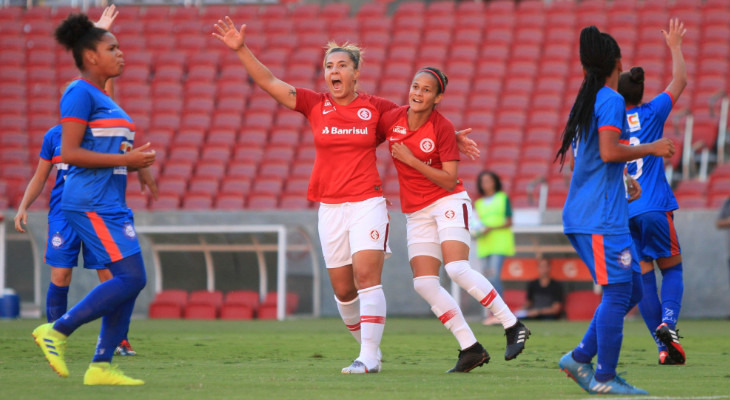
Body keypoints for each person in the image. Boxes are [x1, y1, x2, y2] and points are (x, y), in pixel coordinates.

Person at [212, 17, 478, 374]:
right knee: (343, 291)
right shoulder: (314, 105)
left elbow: (421, 117)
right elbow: (270, 82)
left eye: (341, 65)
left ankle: (367, 357)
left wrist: (450, 136)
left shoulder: (378, 109)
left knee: (367, 278)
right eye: (328, 66)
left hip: (367, 202)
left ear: (355, 73)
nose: (333, 71)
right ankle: (370, 351)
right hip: (330, 206)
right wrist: (241, 49)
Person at [16, 7, 149, 358]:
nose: (121, 53)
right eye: (112, 48)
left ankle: (105, 356)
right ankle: (57, 332)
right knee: (80, 276)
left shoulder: (104, 103)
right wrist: (24, 206)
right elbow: (58, 163)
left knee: (124, 279)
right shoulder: (75, 100)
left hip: (107, 202)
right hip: (84, 204)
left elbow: (104, 93)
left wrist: (98, 33)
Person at [378, 66, 530, 372]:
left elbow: (449, 181)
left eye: (426, 90)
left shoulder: (442, 127)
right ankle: (470, 348)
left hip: (447, 200)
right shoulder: (392, 119)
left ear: (438, 97)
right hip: (416, 211)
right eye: (415, 86)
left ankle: (512, 325)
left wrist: (411, 160)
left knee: (458, 268)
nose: (418, 93)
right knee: (423, 283)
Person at [555, 26, 675, 395]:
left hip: (601, 213)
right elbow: (607, 151)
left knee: (634, 290)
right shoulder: (609, 99)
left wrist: (622, 178)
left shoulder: (589, 98)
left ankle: (579, 357)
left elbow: (588, 160)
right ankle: (604, 376)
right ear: (617, 62)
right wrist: (651, 147)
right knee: (619, 293)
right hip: (599, 219)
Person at [618, 18, 688, 366]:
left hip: (623, 213)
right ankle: (669, 326)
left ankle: (664, 348)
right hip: (654, 206)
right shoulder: (652, 112)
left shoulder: (608, 125)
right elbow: (680, 82)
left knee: (645, 277)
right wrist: (674, 45)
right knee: (672, 269)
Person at [471, 170, 514, 324]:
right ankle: (494, 313)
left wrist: (491, 228)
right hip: (485, 245)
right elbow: (477, 224)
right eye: (483, 181)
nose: (486, 184)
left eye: (488, 180)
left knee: (494, 277)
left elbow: (509, 222)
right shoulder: (479, 203)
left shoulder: (503, 198)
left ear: (495, 181)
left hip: (499, 243)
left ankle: (500, 313)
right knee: (487, 280)